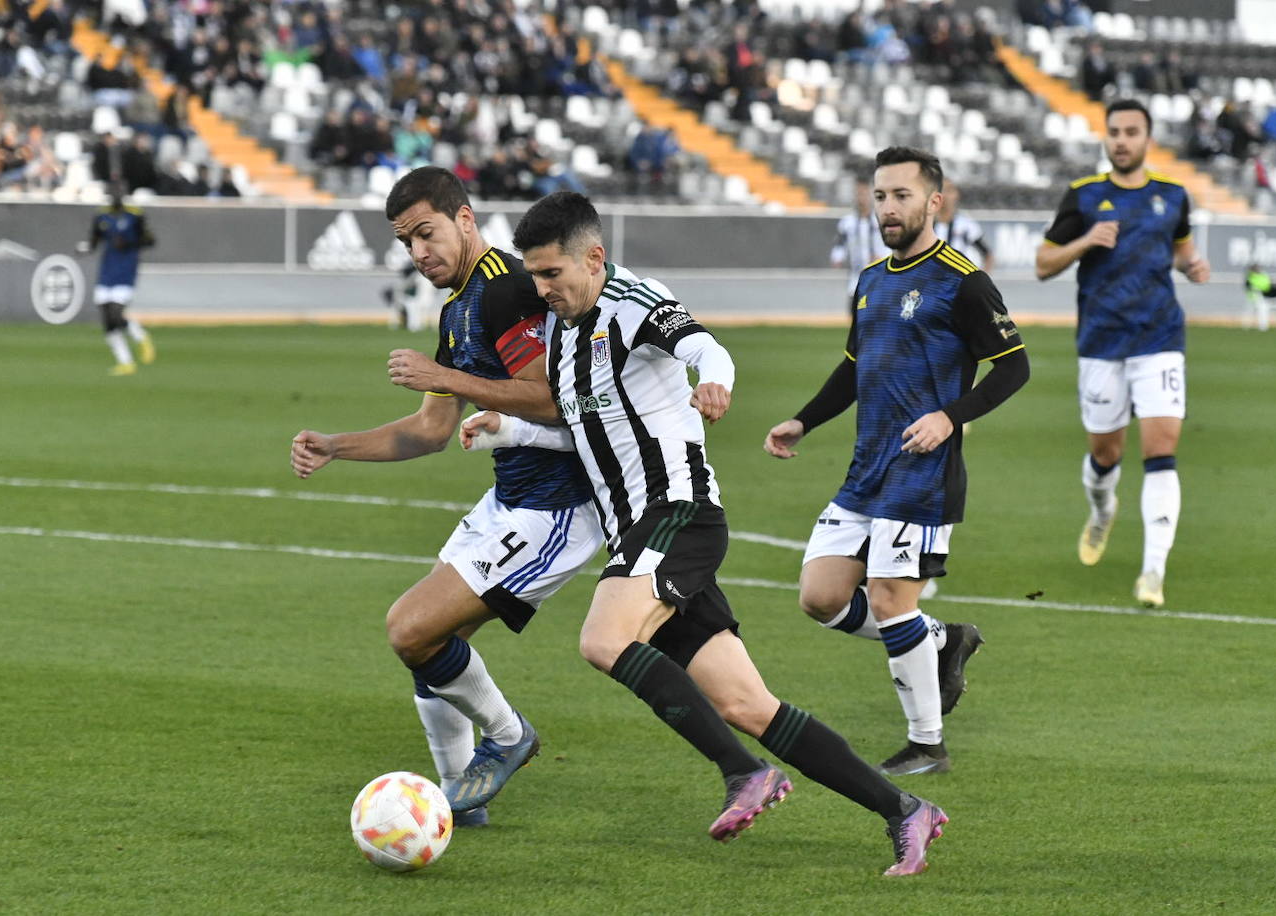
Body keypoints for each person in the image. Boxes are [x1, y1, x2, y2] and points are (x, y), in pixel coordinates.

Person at [459, 190, 948, 877]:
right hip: (640, 529)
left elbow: (704, 347)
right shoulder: (565, 332)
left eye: (552, 275)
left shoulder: (633, 301)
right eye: (534, 276)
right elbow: (589, 430)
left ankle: (745, 774)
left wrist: (714, 382)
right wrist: (505, 429)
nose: (541, 290)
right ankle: (906, 812)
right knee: (749, 704)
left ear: (593, 258)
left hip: (677, 512)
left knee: (603, 639)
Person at [289, 167, 606, 826]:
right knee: (428, 645)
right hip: (511, 499)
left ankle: (509, 737)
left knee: (411, 627)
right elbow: (432, 430)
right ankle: (461, 800)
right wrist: (335, 445)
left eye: (426, 233)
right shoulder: (458, 307)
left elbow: (553, 398)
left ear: (465, 219)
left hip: (557, 507)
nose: (418, 252)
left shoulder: (507, 291)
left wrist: (442, 373)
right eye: (406, 242)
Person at [765, 147, 1029, 777]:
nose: (888, 207)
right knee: (820, 596)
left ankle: (927, 742)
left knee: (887, 599)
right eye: (881, 196)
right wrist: (804, 419)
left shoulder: (961, 280)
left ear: (933, 201)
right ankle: (940, 639)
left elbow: (1014, 364)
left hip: (923, 472)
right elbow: (855, 368)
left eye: (902, 195)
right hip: (866, 470)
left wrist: (949, 417)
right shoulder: (871, 280)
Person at [1036, 99, 1210, 608]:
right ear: (1106, 138)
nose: (1122, 140)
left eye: (1132, 132)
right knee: (1105, 454)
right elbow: (1044, 263)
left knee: (1161, 452)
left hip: (1159, 338)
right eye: (1114, 132)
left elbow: (1180, 249)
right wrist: (1085, 241)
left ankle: (1152, 572)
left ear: (1147, 138)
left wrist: (1192, 265)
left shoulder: (1172, 196)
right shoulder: (1084, 197)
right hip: (1101, 342)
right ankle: (1101, 508)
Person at [77, 184, 156, 376]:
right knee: (107, 319)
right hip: (107, 270)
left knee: (115, 313)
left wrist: (128, 243)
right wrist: (85, 248)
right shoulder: (101, 216)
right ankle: (125, 362)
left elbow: (150, 240)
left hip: (126, 269)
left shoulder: (135, 215)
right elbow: (94, 241)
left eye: (118, 194)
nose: (115, 198)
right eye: (112, 195)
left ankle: (140, 336)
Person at [830, 177, 890, 315]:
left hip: (879, 279)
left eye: (864, 194)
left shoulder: (881, 221)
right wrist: (837, 257)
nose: (861, 198)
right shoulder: (847, 222)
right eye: (858, 194)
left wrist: (883, 257)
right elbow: (840, 244)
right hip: (856, 279)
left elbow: (893, 245)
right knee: (855, 319)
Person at [935, 179, 994, 274]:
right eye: (941, 190)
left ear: (956, 194)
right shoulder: (924, 225)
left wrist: (982, 279)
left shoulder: (967, 225)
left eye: (949, 190)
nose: (945, 195)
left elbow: (988, 255)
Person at [1244, 263, 1276, 332]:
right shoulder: (1250, 277)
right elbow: (1250, 288)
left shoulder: (1264, 275)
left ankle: (1267, 326)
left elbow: (1269, 285)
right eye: (1255, 268)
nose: (1258, 269)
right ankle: (1263, 326)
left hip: (1267, 295)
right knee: (1263, 307)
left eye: (1258, 267)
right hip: (1256, 298)